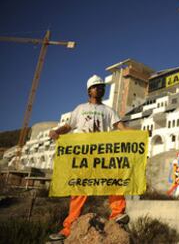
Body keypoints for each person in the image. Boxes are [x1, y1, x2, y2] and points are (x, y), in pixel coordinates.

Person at [49, 75, 131, 241]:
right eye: (96, 86)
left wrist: (140, 135)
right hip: (83, 154)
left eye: (102, 86)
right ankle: (68, 228)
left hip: (102, 153)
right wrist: (56, 131)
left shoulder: (109, 111)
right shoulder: (80, 108)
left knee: (113, 181)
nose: (100, 89)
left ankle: (117, 214)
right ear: (89, 90)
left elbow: (121, 128)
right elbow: (68, 126)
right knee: (79, 190)